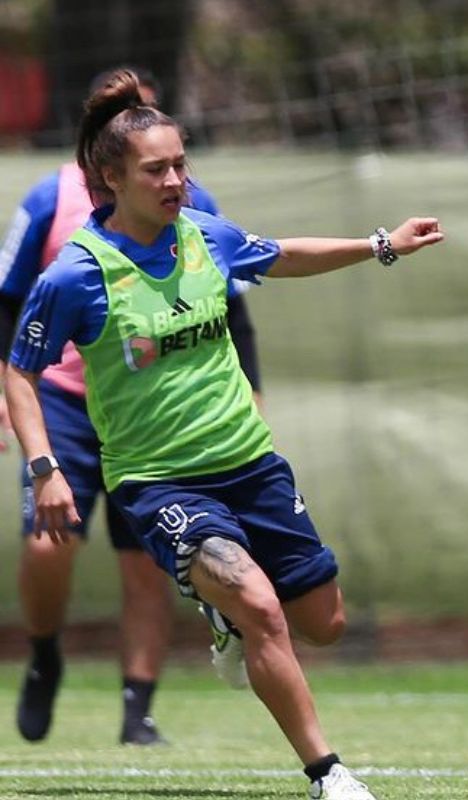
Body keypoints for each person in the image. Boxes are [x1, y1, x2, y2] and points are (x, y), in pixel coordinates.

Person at [5, 69, 442, 800]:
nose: (176, 180)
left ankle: (220, 615)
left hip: (249, 463)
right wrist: (44, 464)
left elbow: (282, 255)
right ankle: (328, 773)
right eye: (157, 169)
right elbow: (21, 372)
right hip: (158, 480)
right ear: (110, 178)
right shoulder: (77, 275)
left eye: (181, 164)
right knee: (261, 605)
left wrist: (381, 244)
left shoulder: (203, 233)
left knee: (324, 623)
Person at [0, 66, 263, 747]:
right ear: (105, 151)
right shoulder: (49, 197)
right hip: (66, 401)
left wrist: (252, 389)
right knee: (47, 542)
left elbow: (228, 298)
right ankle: (46, 652)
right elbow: (9, 305)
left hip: (156, 414)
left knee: (148, 564)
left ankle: (136, 708)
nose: (166, 169)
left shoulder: (187, 200)